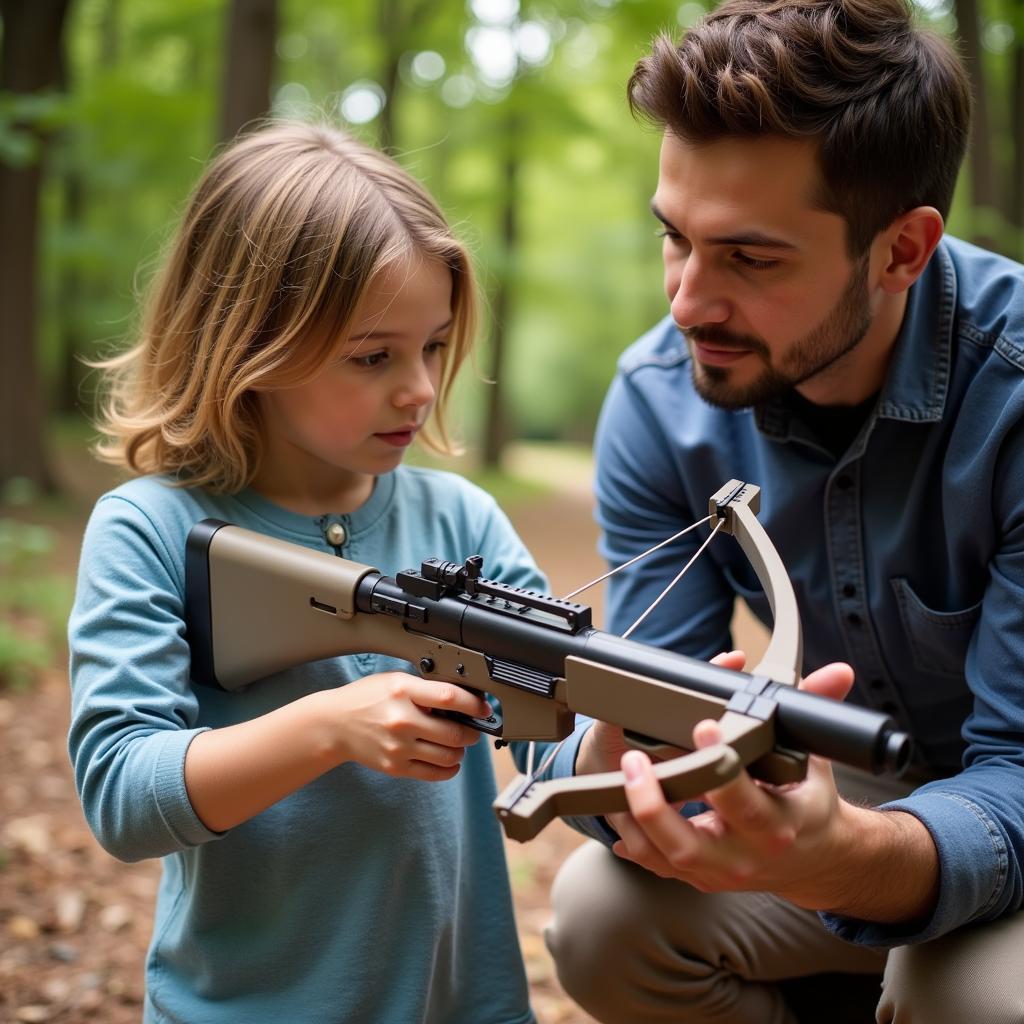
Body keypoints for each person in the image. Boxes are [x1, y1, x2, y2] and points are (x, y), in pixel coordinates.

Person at [539, 1, 1024, 1022]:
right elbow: (651, 706)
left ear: (901, 250)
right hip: (856, 812)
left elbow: (1015, 773)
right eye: (675, 240)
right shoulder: (659, 398)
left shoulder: (1014, 395)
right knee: (600, 917)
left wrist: (847, 860)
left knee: (972, 994)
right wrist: (612, 754)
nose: (686, 303)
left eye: (749, 259)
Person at [67, 121, 542, 1024]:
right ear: (249, 342)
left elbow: (554, 719)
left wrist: (649, 734)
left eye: (434, 346)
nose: (419, 389)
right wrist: (328, 725)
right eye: (374, 357)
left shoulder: (462, 517)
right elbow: (122, 792)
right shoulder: (150, 527)